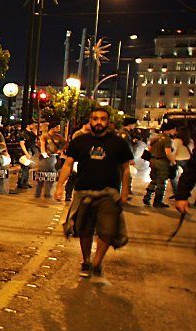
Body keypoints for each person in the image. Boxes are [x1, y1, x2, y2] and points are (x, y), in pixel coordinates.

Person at [55, 106, 133, 281]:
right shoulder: (79, 141)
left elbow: (125, 169)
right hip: (83, 193)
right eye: (95, 119)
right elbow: (68, 164)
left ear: (108, 122)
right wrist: (60, 186)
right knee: (84, 230)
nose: (99, 122)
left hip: (108, 194)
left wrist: (125, 192)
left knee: (107, 230)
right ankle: (86, 261)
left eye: (103, 119)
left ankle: (97, 262)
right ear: (90, 121)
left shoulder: (118, 143)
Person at [143, 123, 175, 208]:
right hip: (162, 162)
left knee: (154, 180)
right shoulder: (167, 139)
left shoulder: (155, 138)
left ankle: (147, 197)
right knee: (161, 182)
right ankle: (158, 201)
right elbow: (168, 153)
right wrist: (173, 162)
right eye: (174, 129)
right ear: (169, 130)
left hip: (153, 161)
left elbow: (149, 150)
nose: (175, 131)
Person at [34, 122, 62, 199]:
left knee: (51, 176)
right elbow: (42, 147)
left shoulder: (58, 137)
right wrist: (45, 155)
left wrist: (60, 151)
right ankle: (38, 193)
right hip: (45, 159)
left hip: (53, 158)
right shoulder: (44, 136)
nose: (59, 129)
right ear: (53, 128)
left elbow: (65, 144)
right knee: (42, 177)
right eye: (58, 127)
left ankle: (46, 193)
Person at [169, 125, 192, 196]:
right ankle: (185, 192)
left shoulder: (176, 141)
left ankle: (177, 193)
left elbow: (173, 152)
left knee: (173, 177)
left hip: (178, 159)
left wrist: (172, 162)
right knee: (187, 178)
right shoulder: (190, 141)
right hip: (188, 160)